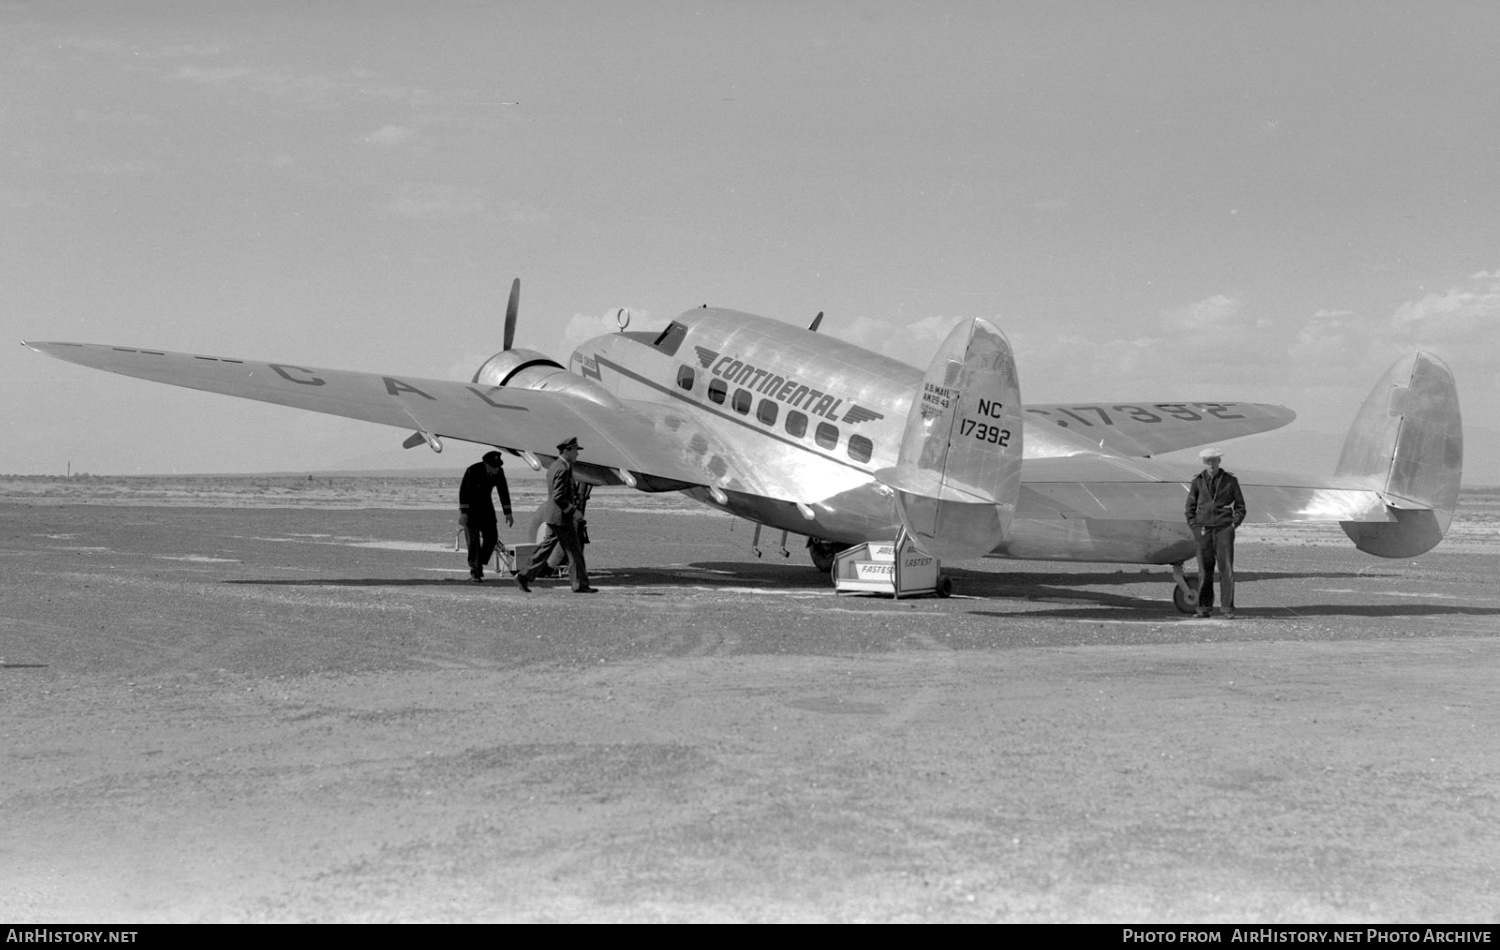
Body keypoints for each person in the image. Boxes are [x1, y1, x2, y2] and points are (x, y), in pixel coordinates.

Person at [514, 436, 596, 594]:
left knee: (545, 549)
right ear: (567, 451)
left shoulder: (555, 466)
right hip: (561, 518)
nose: (577, 454)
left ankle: (523, 576)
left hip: (554, 516)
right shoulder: (562, 469)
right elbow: (558, 496)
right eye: (575, 451)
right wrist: (574, 511)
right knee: (574, 551)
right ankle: (579, 585)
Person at [1184, 446, 1246, 618]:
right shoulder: (1197, 481)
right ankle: (1203, 609)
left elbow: (1240, 507)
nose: (1211, 463)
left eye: (1214, 460)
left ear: (1219, 460)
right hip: (1203, 531)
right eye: (1207, 461)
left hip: (1223, 530)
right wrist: (1195, 527)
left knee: (1226, 570)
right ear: (1204, 462)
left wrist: (1233, 525)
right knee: (1204, 570)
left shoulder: (1230, 481)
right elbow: (1190, 508)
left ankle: (1227, 609)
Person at [458, 450, 514, 583]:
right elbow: (463, 491)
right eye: (494, 466)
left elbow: (503, 491)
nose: (497, 469)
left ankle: (480, 561)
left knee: (492, 537)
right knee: (474, 542)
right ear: (486, 464)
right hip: (471, 511)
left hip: (487, 510)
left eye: (498, 466)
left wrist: (508, 513)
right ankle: (475, 572)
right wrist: (463, 513)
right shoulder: (473, 470)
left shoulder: (499, 472)